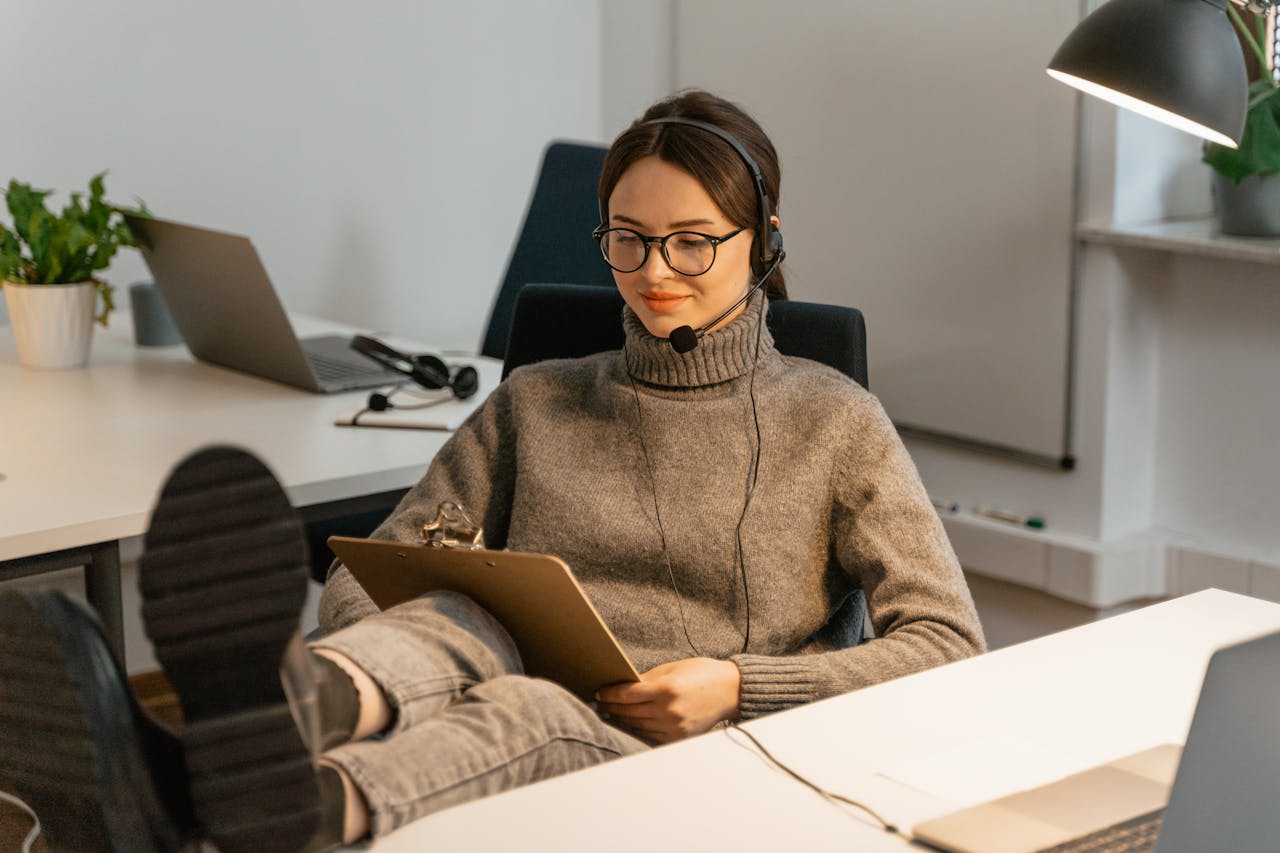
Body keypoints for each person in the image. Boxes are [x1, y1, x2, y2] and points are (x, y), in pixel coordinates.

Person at [0, 89, 985, 852]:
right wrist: (389, 667)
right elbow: (364, 570)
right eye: (628, 240)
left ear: (760, 245)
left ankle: (235, 802)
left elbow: (946, 640)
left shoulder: (831, 421)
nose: (653, 271)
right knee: (452, 616)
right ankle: (281, 723)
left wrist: (738, 684)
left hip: (673, 745)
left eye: (692, 243)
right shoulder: (537, 400)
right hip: (473, 697)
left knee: (527, 706)